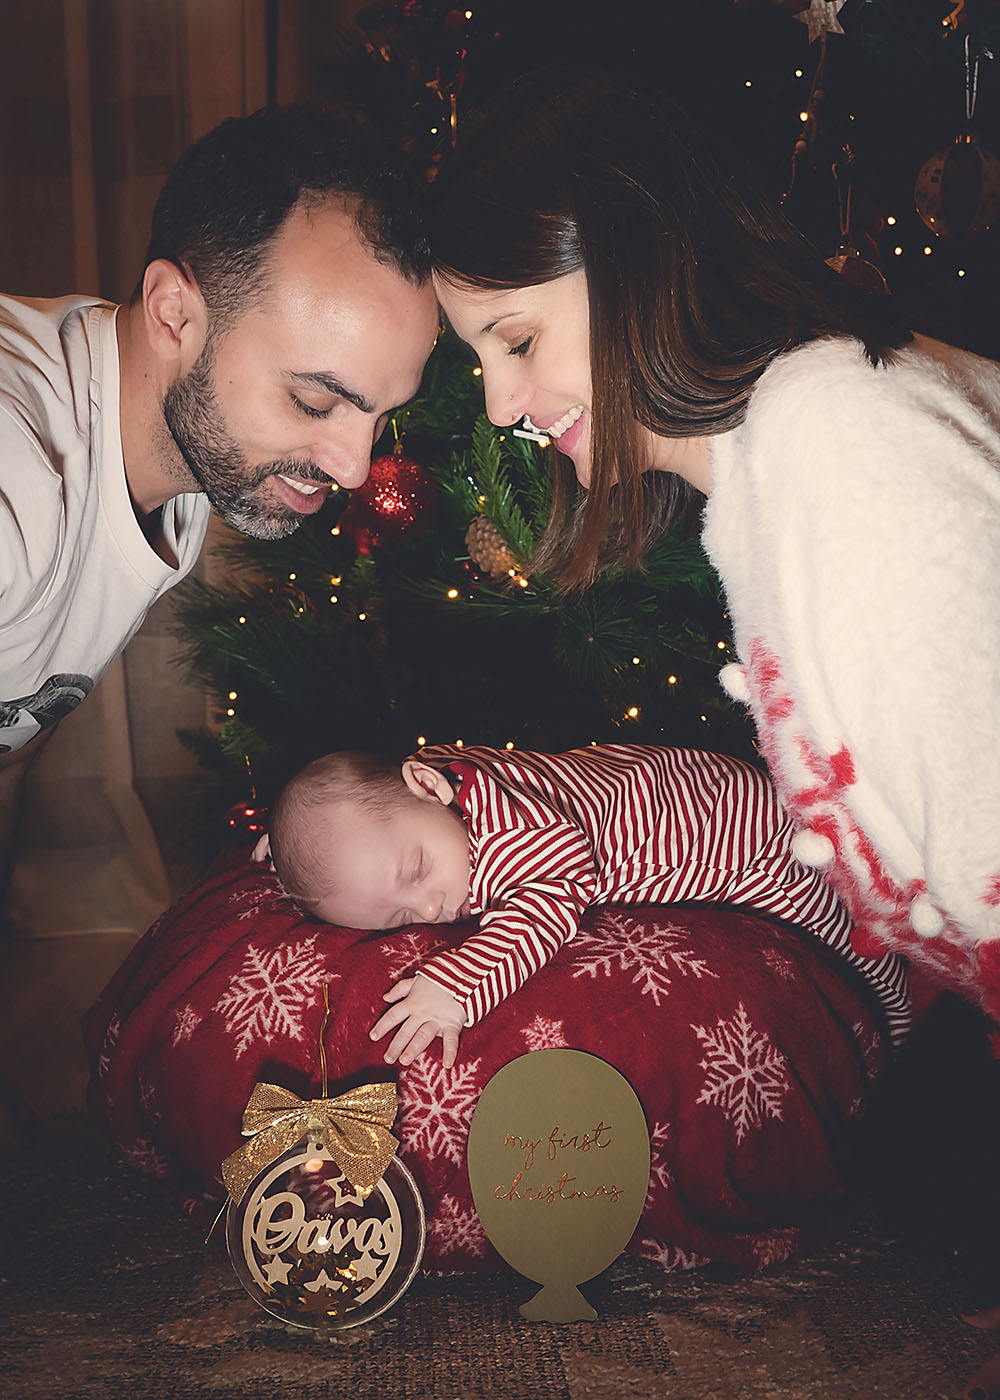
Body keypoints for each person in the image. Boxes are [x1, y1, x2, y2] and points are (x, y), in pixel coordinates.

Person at [427, 67, 1000, 1029]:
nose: (498, 407)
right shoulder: (774, 463)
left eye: (516, 341)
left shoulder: (845, 454)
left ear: (641, 263)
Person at [0, 105, 439, 899]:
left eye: (382, 417)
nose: (353, 470)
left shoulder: (176, 468)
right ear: (174, 314)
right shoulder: (18, 475)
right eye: (314, 400)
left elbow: (15, 736)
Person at [258, 742, 910, 1069]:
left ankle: (903, 1024)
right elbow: (360, 824)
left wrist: (455, 987)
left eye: (417, 871)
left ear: (426, 785)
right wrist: (305, 856)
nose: (431, 906)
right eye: (399, 918)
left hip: (746, 839)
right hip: (687, 776)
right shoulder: (435, 782)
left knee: (851, 942)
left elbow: (545, 903)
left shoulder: (517, 837)